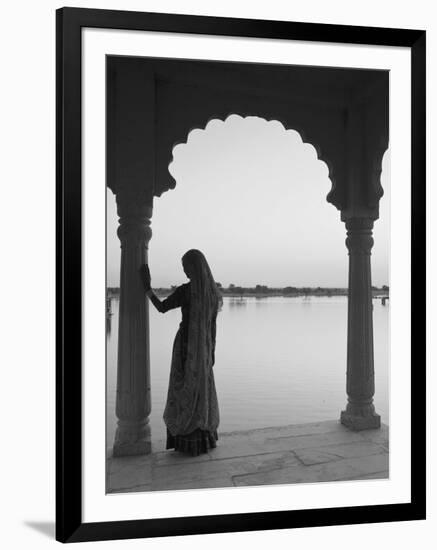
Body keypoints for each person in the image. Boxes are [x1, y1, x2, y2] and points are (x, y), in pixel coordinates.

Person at [139, 249, 222, 456]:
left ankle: (186, 439)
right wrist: (211, 352)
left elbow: (162, 307)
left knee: (183, 390)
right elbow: (212, 327)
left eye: (186, 266)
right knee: (200, 392)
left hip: (186, 348)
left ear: (194, 267)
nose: (184, 271)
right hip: (203, 350)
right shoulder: (212, 293)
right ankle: (203, 439)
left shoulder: (186, 291)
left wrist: (147, 288)